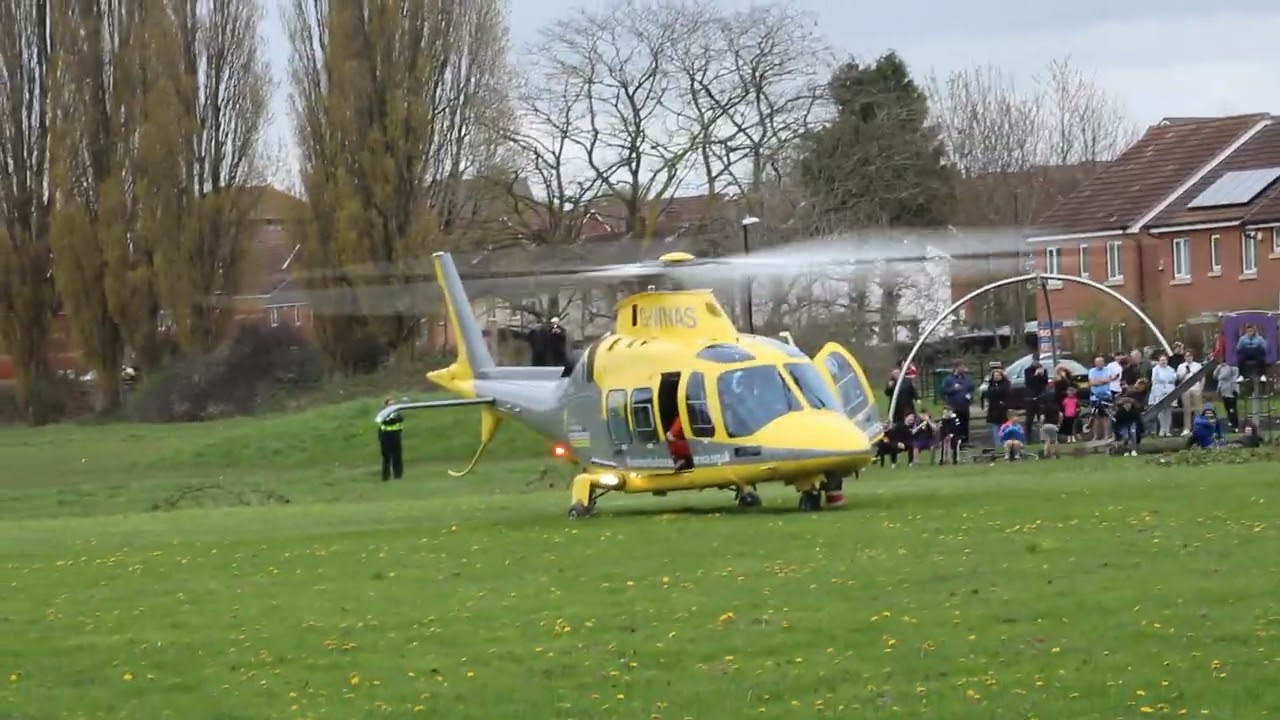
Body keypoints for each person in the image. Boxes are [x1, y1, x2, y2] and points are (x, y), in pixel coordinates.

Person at [940, 360, 976, 447]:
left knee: (965, 424)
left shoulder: (967, 378)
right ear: (956, 367)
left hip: (964, 406)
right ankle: (955, 442)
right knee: (955, 425)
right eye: (962, 367)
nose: (964, 368)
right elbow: (943, 391)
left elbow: (972, 388)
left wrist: (970, 396)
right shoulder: (948, 379)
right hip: (953, 406)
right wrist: (953, 389)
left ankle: (965, 442)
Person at [1112, 379, 1147, 456]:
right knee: (1126, 435)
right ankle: (1125, 450)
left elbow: (1140, 409)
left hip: (1132, 420)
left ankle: (1134, 449)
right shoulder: (1120, 408)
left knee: (1133, 432)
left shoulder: (1135, 401)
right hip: (1123, 422)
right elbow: (1116, 418)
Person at [1086, 355, 1117, 440]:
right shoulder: (1091, 371)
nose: (1100, 364)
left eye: (1101, 362)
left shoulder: (1108, 370)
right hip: (1095, 396)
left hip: (1106, 396)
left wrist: (1098, 381)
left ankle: (1107, 435)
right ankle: (1096, 436)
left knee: (1106, 416)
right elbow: (1092, 382)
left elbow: (1108, 380)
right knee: (1095, 417)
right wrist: (1103, 380)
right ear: (1095, 363)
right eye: (1098, 362)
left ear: (1104, 363)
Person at [1176, 349, 1205, 437]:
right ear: (1184, 357)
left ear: (1192, 357)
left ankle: (1198, 428)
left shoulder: (1198, 365)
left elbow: (1203, 377)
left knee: (1198, 409)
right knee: (1187, 410)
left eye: (1190, 356)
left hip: (1196, 388)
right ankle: (1187, 429)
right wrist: (1185, 372)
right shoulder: (1181, 366)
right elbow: (1179, 378)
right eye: (1187, 356)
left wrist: (1201, 388)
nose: (1188, 358)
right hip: (1185, 389)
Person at [1148, 354, 1178, 436]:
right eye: (1161, 360)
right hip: (1159, 391)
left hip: (1169, 390)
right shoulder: (1155, 369)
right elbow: (1155, 379)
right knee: (1161, 410)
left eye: (1165, 360)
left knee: (1168, 411)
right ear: (1159, 361)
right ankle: (1162, 429)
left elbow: (1173, 379)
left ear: (1167, 361)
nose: (1163, 362)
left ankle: (1167, 430)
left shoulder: (1171, 369)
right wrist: (1165, 380)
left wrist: (1166, 381)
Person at [378, 398, 404, 481]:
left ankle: (398, 475)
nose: (392, 406)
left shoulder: (397, 414)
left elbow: (400, 419)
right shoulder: (382, 414)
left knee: (397, 457)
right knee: (386, 458)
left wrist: (393, 418)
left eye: (393, 404)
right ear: (386, 405)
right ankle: (385, 476)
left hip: (396, 437)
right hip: (385, 438)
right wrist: (390, 419)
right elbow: (384, 422)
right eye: (390, 404)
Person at [983, 368, 1012, 447]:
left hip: (1002, 409)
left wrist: (1004, 403)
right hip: (993, 409)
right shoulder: (991, 385)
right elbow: (988, 394)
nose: (996, 377)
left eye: (998, 375)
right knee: (995, 428)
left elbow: (1006, 394)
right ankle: (998, 445)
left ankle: (1005, 444)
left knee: (1003, 428)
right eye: (995, 375)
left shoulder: (1005, 384)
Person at [1215, 362, 1240, 430]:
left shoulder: (1233, 367)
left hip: (1232, 391)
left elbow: (1223, 376)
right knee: (1227, 408)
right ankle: (1231, 423)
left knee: (1232, 409)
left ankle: (1235, 425)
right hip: (1224, 391)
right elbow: (1215, 375)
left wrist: (1223, 369)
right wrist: (1218, 368)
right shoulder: (1222, 367)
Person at [1038, 389, 1061, 458]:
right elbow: (1061, 415)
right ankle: (1055, 454)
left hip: (1045, 425)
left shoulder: (1044, 407)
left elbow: (1042, 418)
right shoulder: (1056, 406)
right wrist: (1059, 424)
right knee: (1054, 440)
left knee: (1046, 441)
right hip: (1053, 425)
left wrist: (1041, 425)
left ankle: (1045, 454)